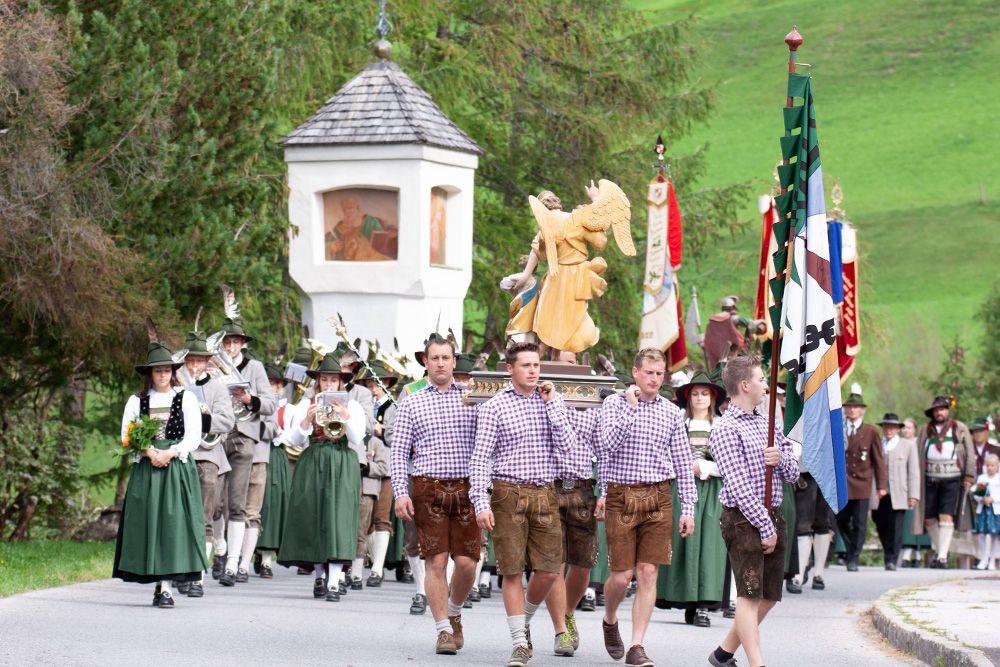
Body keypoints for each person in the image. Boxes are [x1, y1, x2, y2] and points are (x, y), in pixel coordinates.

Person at [469, 341, 577, 667]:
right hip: (507, 493)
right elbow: (480, 458)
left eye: (536, 365)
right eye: (526, 365)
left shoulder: (551, 403)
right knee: (512, 570)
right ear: (510, 369)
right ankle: (518, 642)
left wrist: (555, 406)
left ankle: (525, 618)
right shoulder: (494, 408)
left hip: (545, 492)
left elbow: (570, 448)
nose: (533, 371)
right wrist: (480, 501)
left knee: (547, 570)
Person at [597, 348, 697, 667]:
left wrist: (689, 508)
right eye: (650, 372)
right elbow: (606, 447)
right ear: (636, 372)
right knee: (621, 577)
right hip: (621, 494)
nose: (655, 378)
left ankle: (637, 645)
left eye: (660, 373)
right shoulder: (613, 403)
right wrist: (630, 409)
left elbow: (683, 462)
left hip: (658, 495)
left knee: (648, 572)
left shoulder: (670, 411)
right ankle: (610, 618)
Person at [707, 355, 799, 667]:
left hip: (773, 512)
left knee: (770, 595)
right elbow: (739, 484)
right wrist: (765, 527)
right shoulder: (724, 429)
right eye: (762, 380)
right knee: (748, 594)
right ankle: (757, 663)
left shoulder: (770, 420)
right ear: (745, 386)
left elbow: (793, 473)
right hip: (742, 518)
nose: (766, 386)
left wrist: (779, 459)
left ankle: (723, 654)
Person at [392, 335, 479, 655]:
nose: (441, 363)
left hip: (467, 488)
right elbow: (399, 452)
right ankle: (443, 629)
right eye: (435, 358)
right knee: (437, 560)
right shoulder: (412, 401)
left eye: (446, 357)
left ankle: (454, 610)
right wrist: (401, 493)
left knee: (468, 563)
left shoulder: (472, 398)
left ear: (454, 362)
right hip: (427, 487)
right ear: (425, 362)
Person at [113, 333, 207, 607]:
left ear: (173, 372)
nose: (163, 375)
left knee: (172, 527)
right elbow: (126, 435)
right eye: (158, 371)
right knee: (149, 525)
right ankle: (157, 582)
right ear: (150, 374)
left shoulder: (186, 398)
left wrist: (170, 452)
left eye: (167, 370)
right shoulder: (137, 401)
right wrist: (149, 452)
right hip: (147, 470)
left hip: (176, 470)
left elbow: (193, 435)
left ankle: (166, 586)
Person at [503, 181, 634, 353]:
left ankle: (543, 355)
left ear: (542, 208)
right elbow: (600, 242)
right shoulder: (578, 217)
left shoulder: (547, 222)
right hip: (577, 275)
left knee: (548, 318)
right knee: (572, 318)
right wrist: (595, 199)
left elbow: (536, 250)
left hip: (557, 276)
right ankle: (556, 356)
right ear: (557, 203)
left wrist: (526, 275)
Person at [277, 352, 366, 601]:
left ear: (341, 382)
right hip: (313, 459)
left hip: (341, 462)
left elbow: (357, 438)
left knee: (338, 519)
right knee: (313, 516)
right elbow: (293, 440)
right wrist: (306, 419)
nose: (328, 385)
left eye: (333, 380)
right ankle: (319, 575)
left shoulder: (353, 405)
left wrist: (346, 417)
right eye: (324, 380)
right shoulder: (307, 403)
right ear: (319, 382)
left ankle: (335, 582)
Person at [656, 371, 728, 629]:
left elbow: (732, 463)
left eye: (704, 394)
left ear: (712, 398)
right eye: (695, 393)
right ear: (688, 398)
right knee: (682, 542)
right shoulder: (677, 424)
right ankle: (684, 598)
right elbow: (662, 455)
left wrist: (706, 468)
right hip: (681, 489)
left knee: (709, 544)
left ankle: (703, 605)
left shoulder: (721, 426)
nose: (699, 398)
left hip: (712, 490)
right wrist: (684, 467)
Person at [215, 313, 276, 586]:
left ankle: (232, 564)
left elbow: (271, 405)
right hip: (216, 437)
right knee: (215, 503)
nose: (231, 347)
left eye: (236, 341)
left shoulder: (255, 367)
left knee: (239, 503)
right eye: (227, 341)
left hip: (243, 437)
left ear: (242, 343)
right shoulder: (213, 366)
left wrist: (249, 399)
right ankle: (219, 549)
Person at [174, 326, 235, 597]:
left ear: (207, 362)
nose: (195, 365)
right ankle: (179, 570)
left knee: (204, 518)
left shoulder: (217, 388)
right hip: (180, 454)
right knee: (178, 516)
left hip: (208, 455)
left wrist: (200, 418)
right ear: (185, 361)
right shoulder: (176, 387)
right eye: (191, 360)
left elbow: (227, 421)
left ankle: (198, 576)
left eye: (200, 361)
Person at [543, 402, 602, 657]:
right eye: (567, 359)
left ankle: (567, 612)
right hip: (549, 486)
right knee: (554, 563)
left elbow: (604, 450)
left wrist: (606, 492)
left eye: (574, 359)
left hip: (582, 488)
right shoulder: (543, 400)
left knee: (583, 564)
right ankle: (560, 631)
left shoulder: (593, 405)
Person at [916, 396, 976, 568]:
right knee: (928, 519)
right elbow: (918, 452)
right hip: (929, 477)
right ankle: (940, 550)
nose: (939, 412)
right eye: (936, 410)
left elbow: (970, 453)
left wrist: (969, 475)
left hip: (952, 478)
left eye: (942, 409)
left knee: (946, 516)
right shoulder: (925, 430)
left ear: (947, 410)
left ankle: (942, 557)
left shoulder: (959, 428)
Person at [356, 360, 399, 588]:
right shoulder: (361, 403)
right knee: (366, 516)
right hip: (364, 461)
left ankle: (377, 568)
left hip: (386, 464)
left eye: (377, 383)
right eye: (369, 383)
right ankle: (364, 560)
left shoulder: (393, 407)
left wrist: (382, 430)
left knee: (381, 515)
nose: (373, 388)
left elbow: (397, 436)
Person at [837, 389, 888, 571]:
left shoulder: (871, 431)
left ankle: (854, 557)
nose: (852, 410)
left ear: (862, 410)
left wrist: (881, 486)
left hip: (863, 482)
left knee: (860, 523)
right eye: (849, 407)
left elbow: (878, 459)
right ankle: (851, 548)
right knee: (841, 519)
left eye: (856, 407)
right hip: (843, 483)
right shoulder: (839, 428)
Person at [256, 362, 292, 579]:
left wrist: (281, 433)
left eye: (274, 383)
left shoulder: (289, 409)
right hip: (256, 452)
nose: (271, 387)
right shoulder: (257, 403)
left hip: (276, 455)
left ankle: (267, 558)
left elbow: (294, 435)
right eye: (267, 383)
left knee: (272, 505)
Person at [871, 414, 920, 570]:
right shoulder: (878, 443)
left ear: (898, 429)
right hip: (880, 493)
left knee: (896, 527)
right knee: (880, 524)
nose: (889, 430)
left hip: (899, 493)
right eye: (886, 427)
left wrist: (913, 495)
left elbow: (913, 471)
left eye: (892, 427)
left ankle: (891, 558)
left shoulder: (908, 446)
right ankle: (888, 551)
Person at [972, 454, 999, 570]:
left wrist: (993, 499)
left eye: (992, 465)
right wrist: (981, 499)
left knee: (994, 535)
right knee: (982, 534)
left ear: (997, 466)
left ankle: (992, 560)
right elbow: (978, 493)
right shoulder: (982, 478)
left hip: (995, 510)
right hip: (983, 509)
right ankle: (983, 559)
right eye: (988, 465)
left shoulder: (998, 479)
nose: (990, 468)